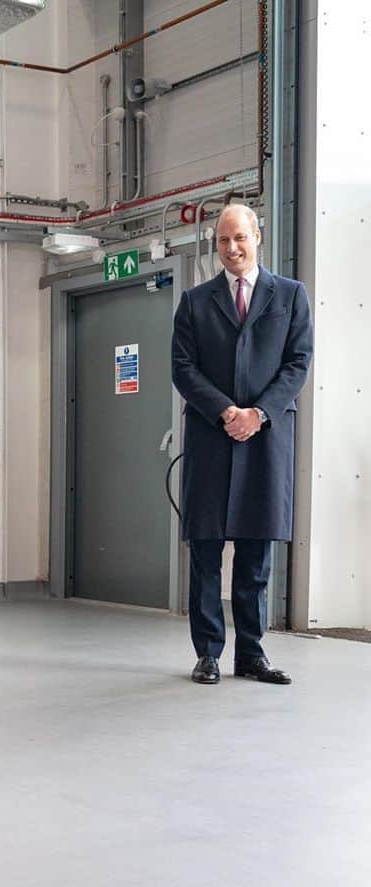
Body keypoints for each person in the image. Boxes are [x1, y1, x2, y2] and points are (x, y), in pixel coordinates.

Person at [171, 203, 313, 686]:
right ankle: (208, 653)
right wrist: (226, 412)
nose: (231, 249)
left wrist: (260, 413)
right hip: (213, 439)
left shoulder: (291, 296)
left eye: (240, 238)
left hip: (265, 440)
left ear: (258, 237)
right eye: (223, 241)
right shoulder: (194, 301)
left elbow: (298, 362)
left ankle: (251, 654)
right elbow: (183, 368)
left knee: (255, 554)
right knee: (206, 551)